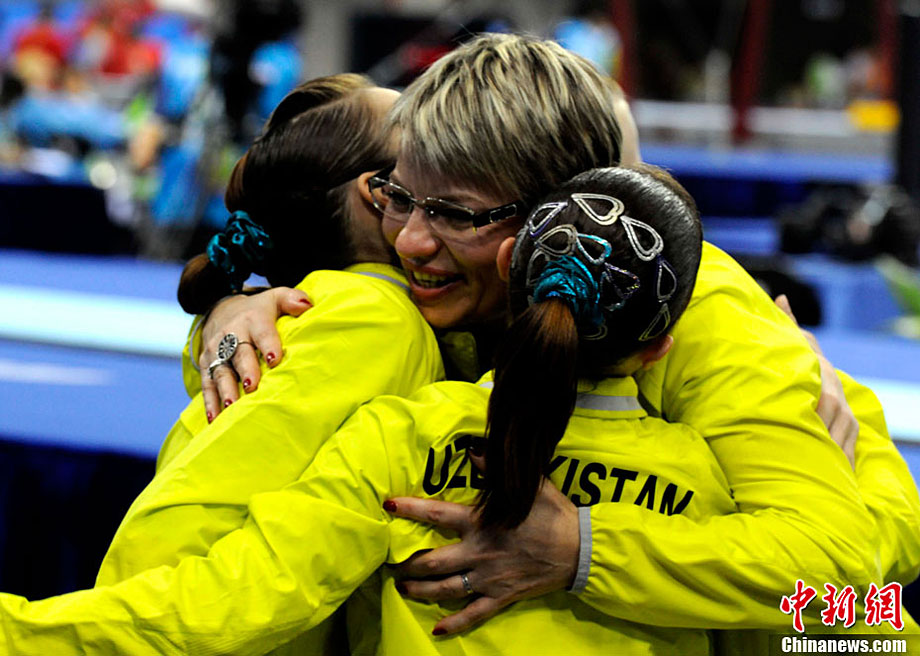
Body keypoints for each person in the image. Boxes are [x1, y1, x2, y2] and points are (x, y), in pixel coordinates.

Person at [200, 33, 920, 636]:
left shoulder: (701, 319)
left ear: (559, 212)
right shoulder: (444, 267)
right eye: (401, 197)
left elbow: (846, 586)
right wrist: (231, 311)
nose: (412, 240)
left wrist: (582, 550)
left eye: (454, 212)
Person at [0, 165, 748, 655]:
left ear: (508, 266)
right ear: (660, 348)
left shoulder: (405, 433)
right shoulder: (715, 490)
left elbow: (243, 596)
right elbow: (812, 626)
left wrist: (20, 633)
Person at [94, 72, 444, 654]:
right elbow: (191, 534)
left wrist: (221, 309)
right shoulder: (375, 319)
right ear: (382, 193)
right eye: (420, 137)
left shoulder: (313, 308)